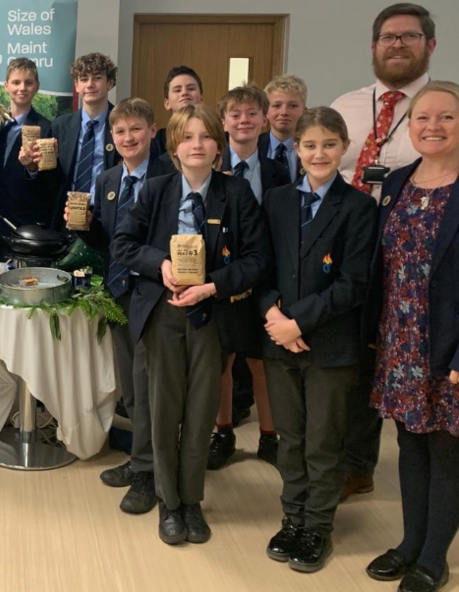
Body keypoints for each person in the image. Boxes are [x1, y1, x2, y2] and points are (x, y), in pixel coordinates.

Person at [330, 2, 459, 502]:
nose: (397, 45)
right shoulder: (347, 106)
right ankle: (356, 466)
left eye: (409, 36)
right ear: (373, 46)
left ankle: (431, 548)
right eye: (388, 37)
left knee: (441, 437)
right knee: (362, 375)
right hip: (371, 272)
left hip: (444, 291)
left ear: (430, 45)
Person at [362, 81, 459, 592]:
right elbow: (383, 266)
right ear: (410, 127)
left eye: (446, 118)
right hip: (403, 341)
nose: (433, 126)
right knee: (410, 445)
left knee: (448, 451)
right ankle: (409, 543)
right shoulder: (399, 183)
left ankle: (434, 556)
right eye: (422, 118)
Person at [112, 105, 270, 546]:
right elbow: (124, 242)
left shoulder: (236, 194)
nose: (196, 145)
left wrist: (213, 286)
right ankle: (168, 502)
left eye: (205, 137)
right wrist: (159, 263)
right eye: (187, 137)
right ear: (174, 147)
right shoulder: (156, 190)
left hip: (211, 314)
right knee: (163, 410)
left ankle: (192, 501)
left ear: (218, 146)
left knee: (201, 412)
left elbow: (258, 260)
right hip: (162, 313)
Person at [259, 107, 376, 573]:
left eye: (329, 144)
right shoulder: (278, 200)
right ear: (297, 149)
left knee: (323, 441)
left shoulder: (360, 207)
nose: (319, 153)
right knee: (290, 437)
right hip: (277, 339)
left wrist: (297, 322)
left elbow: (353, 283)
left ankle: (318, 526)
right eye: (310, 145)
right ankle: (293, 517)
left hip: (329, 345)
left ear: (344, 147)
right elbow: (261, 263)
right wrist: (271, 312)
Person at [78, 98, 172, 516]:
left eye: (136, 129)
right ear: (111, 139)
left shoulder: (171, 177)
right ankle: (140, 460)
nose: (128, 138)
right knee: (131, 389)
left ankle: (153, 474)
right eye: (120, 132)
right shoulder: (108, 178)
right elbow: (109, 242)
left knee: (153, 388)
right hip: (119, 293)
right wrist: (81, 227)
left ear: (153, 130)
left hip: (157, 296)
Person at [208, 85, 289, 470]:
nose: (243, 121)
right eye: (235, 114)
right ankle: (222, 431)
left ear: (264, 119)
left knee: (262, 360)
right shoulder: (209, 169)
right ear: (223, 122)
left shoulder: (280, 170)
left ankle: (270, 437)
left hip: (266, 278)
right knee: (223, 359)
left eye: (251, 114)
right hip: (222, 278)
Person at [42, 52, 122, 226]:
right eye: (84, 79)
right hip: (66, 216)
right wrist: (32, 167)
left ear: (110, 82)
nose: (90, 85)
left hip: (106, 217)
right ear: (77, 86)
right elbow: (49, 179)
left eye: (97, 78)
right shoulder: (59, 126)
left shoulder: (122, 124)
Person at [0, 57, 53, 232]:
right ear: (6, 86)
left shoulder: (46, 129)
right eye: (16, 82)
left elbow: (50, 183)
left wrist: (32, 169)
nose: (22, 88)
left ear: (37, 86)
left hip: (24, 220)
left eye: (28, 82)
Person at [261, 75, 307, 183]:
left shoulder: (311, 149)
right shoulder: (253, 147)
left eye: (293, 106)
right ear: (266, 111)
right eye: (277, 105)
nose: (284, 112)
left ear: (304, 111)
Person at [151, 65, 203, 160]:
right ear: (167, 103)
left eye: (191, 89)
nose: (184, 93)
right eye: (177, 90)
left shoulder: (215, 135)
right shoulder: (156, 141)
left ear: (201, 99)